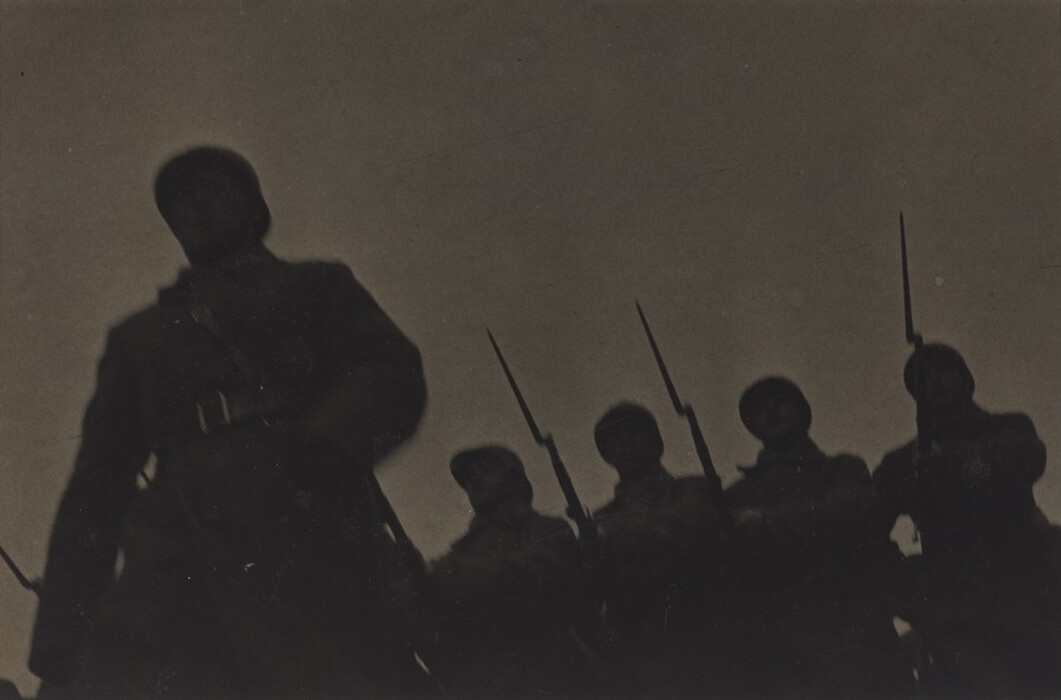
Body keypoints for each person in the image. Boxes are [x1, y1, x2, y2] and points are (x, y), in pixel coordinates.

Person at [28, 146, 429, 699]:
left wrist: (326, 449)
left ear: (252, 206)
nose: (194, 204)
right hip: (181, 541)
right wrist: (64, 623)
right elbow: (96, 485)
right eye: (179, 200)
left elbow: (388, 370)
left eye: (211, 188)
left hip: (306, 522)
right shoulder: (139, 336)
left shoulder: (316, 286)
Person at [874, 344, 1061, 698]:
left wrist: (948, 461)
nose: (934, 382)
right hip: (955, 608)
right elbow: (867, 529)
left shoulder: (1008, 427)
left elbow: (1024, 461)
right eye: (922, 379)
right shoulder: (903, 461)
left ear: (965, 378)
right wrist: (906, 581)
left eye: (943, 370)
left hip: (1029, 591)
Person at [726, 377, 913, 699]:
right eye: (759, 409)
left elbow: (851, 512)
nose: (771, 411)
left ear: (802, 411)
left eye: (780, 401)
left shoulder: (843, 468)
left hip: (860, 632)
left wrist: (762, 521)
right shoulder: (736, 495)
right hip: (786, 651)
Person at [424, 446, 595, 700]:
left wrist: (452, 574)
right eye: (469, 477)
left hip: (552, 676)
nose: (474, 480)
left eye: (486, 469)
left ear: (514, 478)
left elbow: (533, 573)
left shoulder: (547, 529)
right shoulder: (458, 555)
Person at [589, 402, 727, 698]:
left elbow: (695, 525)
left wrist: (618, 536)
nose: (626, 442)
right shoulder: (600, 519)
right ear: (606, 454)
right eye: (615, 438)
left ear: (655, 441)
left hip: (711, 626)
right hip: (646, 646)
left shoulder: (697, 488)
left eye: (635, 432)